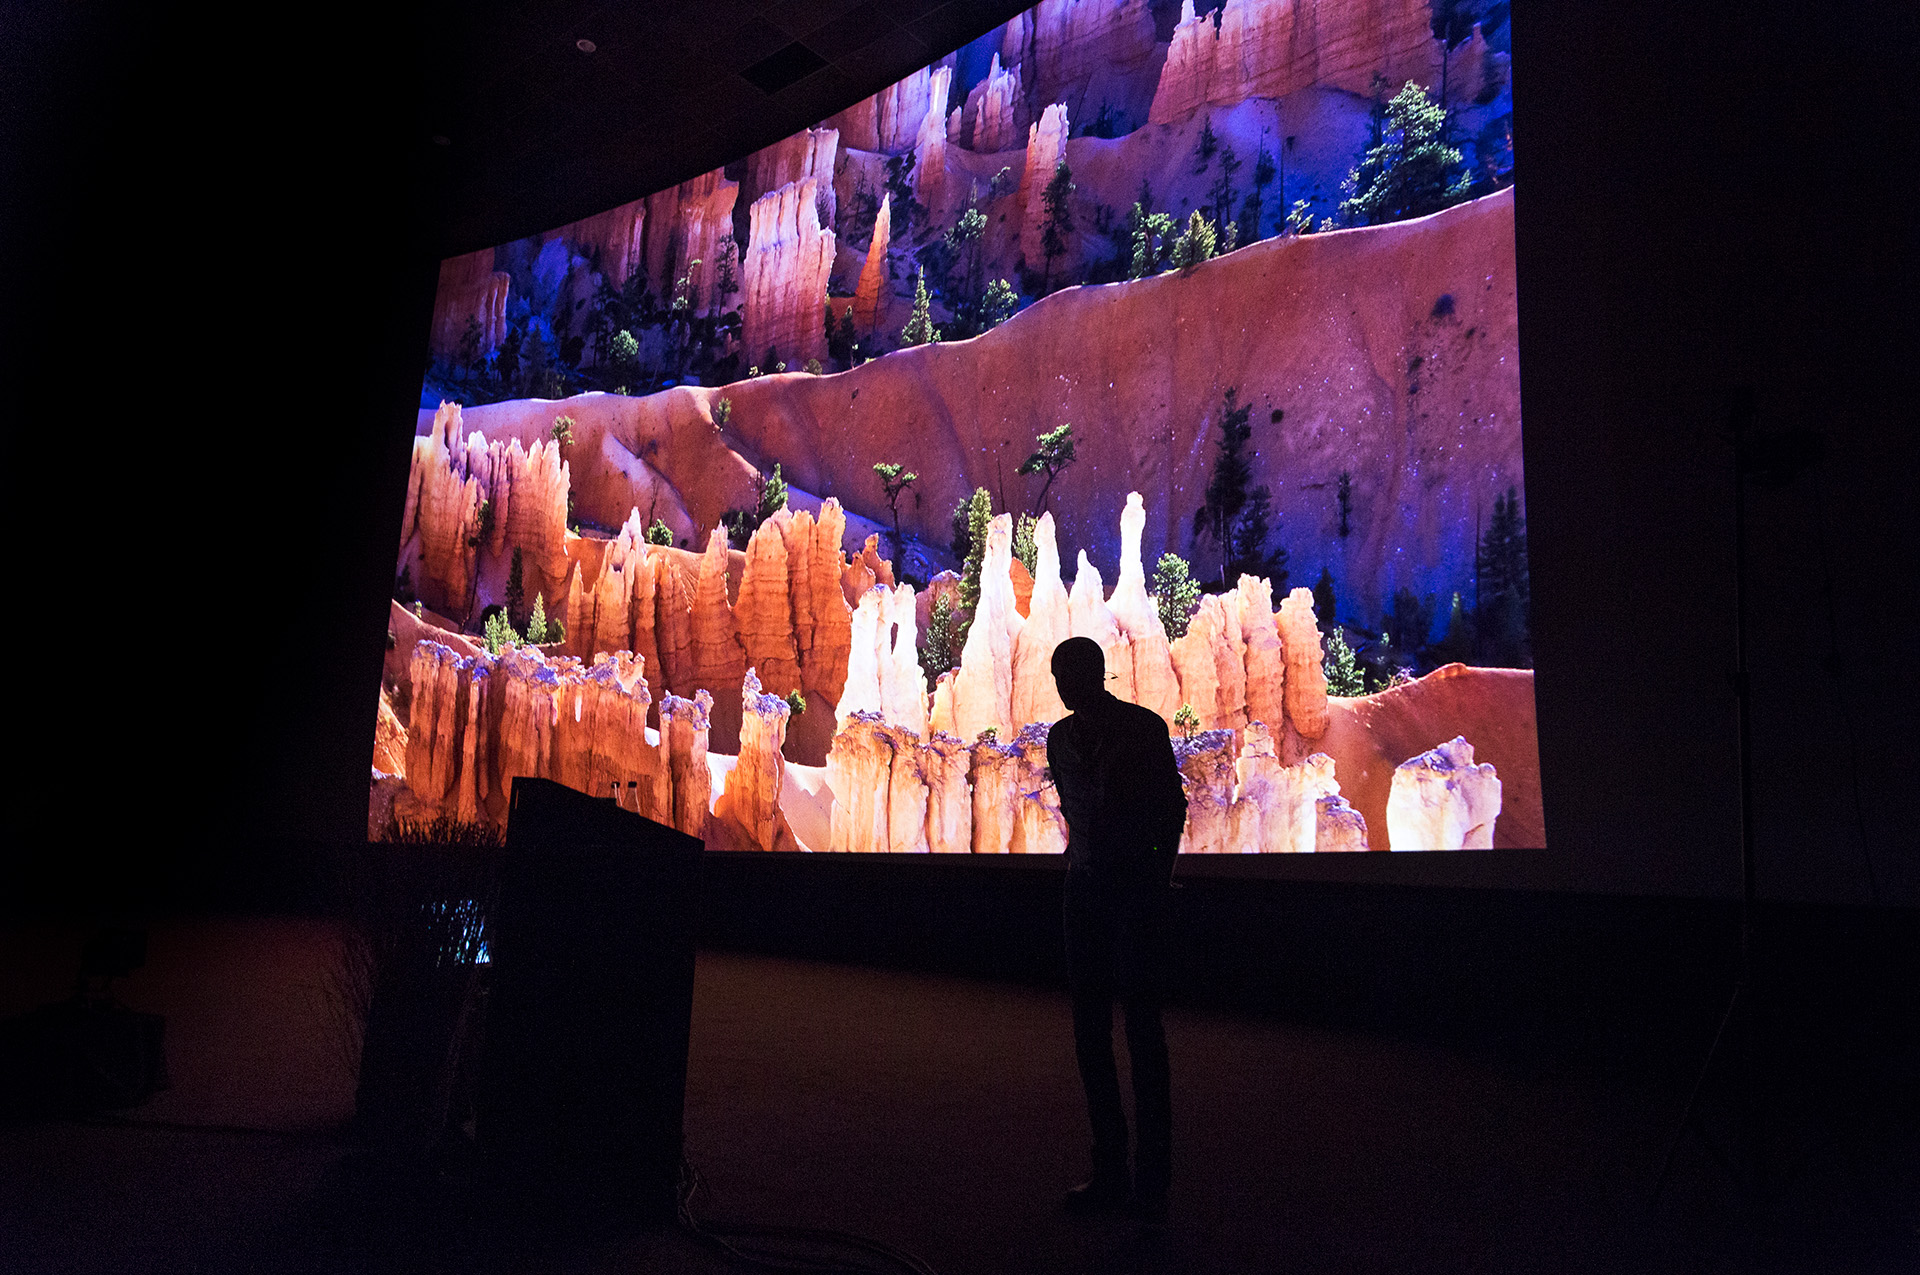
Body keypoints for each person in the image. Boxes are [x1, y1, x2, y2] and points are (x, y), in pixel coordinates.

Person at [1045, 636, 1188, 1223]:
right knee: (1091, 1035)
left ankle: (1151, 1181)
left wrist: (1154, 870)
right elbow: (1077, 812)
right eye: (1057, 674)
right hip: (1084, 895)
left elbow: (1171, 809)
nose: (1061, 683)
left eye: (1068, 672)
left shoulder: (1143, 729)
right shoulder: (1058, 739)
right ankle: (1110, 1171)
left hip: (1132, 895)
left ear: (1095, 674)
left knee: (1143, 1035)